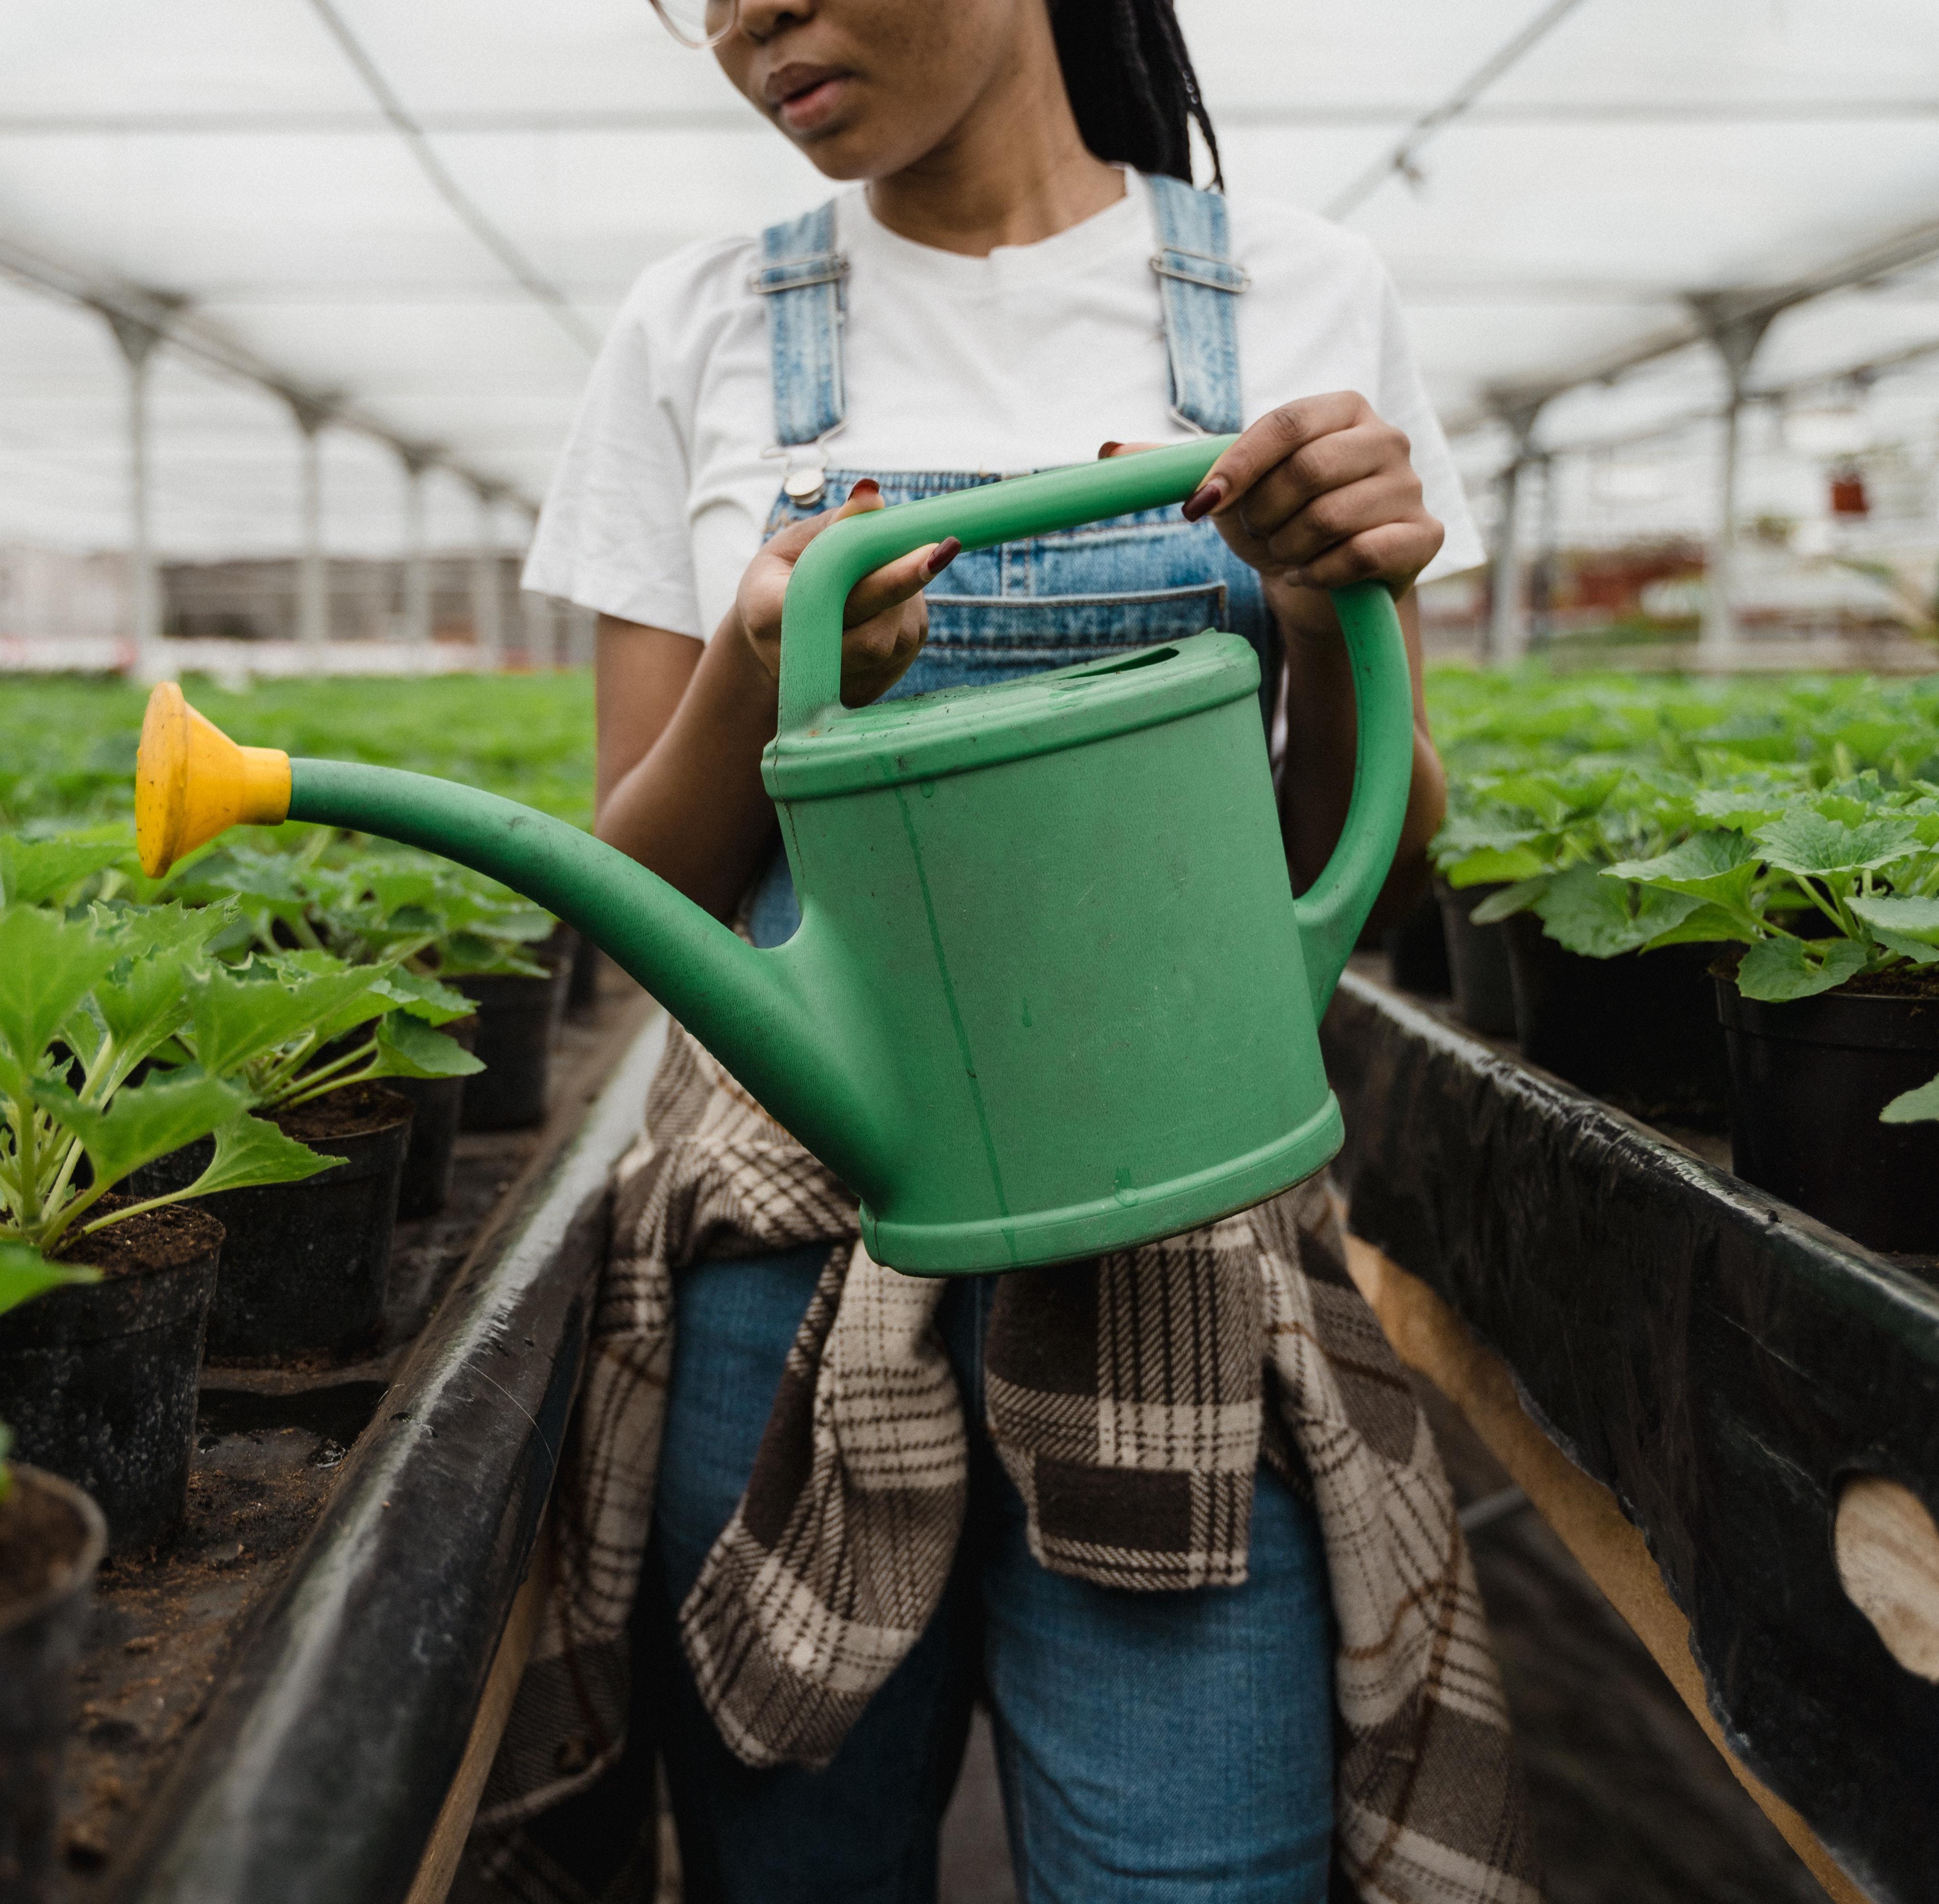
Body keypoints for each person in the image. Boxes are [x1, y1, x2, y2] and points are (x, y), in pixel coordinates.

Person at [477, 2, 1540, 1900]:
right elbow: (643, 894)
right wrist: (761, 667)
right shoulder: (699, 321)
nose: (746, 21)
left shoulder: (1299, 294)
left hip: (1180, 1260)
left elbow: (1351, 873)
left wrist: (1316, 615)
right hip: (785, 1269)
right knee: (793, 1868)